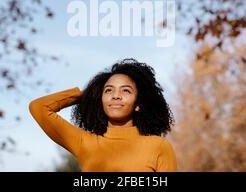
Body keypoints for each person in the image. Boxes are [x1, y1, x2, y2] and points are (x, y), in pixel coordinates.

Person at [29, 58, 177, 172]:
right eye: (108, 90)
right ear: (100, 100)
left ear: (138, 104)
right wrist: (87, 95)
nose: (116, 96)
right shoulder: (85, 143)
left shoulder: (159, 146)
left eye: (126, 90)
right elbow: (39, 107)